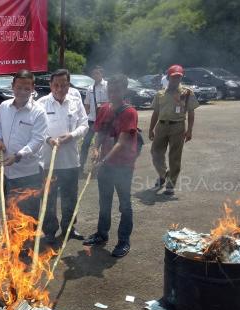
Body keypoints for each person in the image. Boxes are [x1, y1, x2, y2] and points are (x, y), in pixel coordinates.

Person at [83, 75, 138, 257]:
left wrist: (103, 161)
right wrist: (96, 150)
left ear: (124, 91)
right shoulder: (104, 109)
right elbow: (100, 133)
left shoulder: (129, 112)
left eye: (116, 91)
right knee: (104, 202)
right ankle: (101, 234)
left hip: (123, 166)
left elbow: (121, 142)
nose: (113, 94)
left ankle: (124, 241)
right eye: (110, 91)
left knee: (124, 205)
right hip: (105, 164)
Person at [38, 69, 88, 243]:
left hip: (70, 161)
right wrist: (48, 139)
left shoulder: (75, 102)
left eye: (64, 85)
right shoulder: (41, 103)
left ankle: (69, 229)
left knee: (70, 198)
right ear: (51, 85)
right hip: (47, 162)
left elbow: (84, 125)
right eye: (56, 85)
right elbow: (35, 130)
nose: (60, 89)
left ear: (68, 85)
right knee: (49, 199)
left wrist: (72, 135)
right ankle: (50, 232)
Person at [0, 70, 47, 220]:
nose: (22, 92)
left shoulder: (38, 112)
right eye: (19, 88)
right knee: (9, 213)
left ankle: (31, 244)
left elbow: (37, 141)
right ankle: (11, 242)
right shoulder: (4, 107)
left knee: (28, 217)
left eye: (27, 89)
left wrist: (18, 156)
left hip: (29, 174)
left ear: (33, 88)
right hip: (7, 173)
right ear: (12, 86)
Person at [149, 65, 199, 195]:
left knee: (175, 156)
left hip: (178, 126)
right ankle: (162, 174)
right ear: (168, 77)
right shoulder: (160, 94)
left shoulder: (187, 93)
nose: (176, 79)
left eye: (178, 77)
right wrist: (150, 129)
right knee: (155, 153)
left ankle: (171, 183)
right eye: (173, 77)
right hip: (161, 126)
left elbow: (191, 112)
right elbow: (155, 113)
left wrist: (190, 131)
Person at [81, 66, 108, 172]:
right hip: (92, 120)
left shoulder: (107, 86)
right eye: (94, 74)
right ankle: (81, 165)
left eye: (97, 73)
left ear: (102, 74)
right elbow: (87, 104)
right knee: (85, 144)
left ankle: (101, 166)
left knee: (103, 144)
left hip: (104, 120)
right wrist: (84, 117)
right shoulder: (90, 88)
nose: (95, 76)